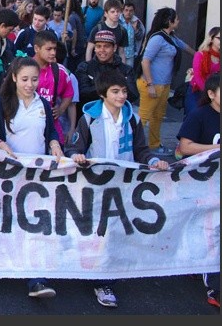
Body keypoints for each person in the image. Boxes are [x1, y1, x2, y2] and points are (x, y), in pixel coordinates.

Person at [65, 68, 170, 308]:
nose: (121, 96)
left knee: (113, 231)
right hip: (94, 183)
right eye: (115, 92)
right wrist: (77, 155)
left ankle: (106, 281)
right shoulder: (89, 118)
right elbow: (75, 146)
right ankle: (88, 271)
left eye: (123, 91)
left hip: (123, 183)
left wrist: (153, 161)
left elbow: (141, 149)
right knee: (95, 230)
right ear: (103, 94)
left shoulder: (131, 118)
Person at [0, 56, 64, 299]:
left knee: (35, 223)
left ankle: (37, 278)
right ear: (13, 78)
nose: (30, 84)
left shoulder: (43, 103)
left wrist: (54, 143)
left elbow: (51, 130)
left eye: (34, 79)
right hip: (8, 174)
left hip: (38, 174)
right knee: (7, 219)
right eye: (24, 79)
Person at [175, 72, 220, 308]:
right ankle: (215, 286)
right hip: (204, 185)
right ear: (211, 94)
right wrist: (218, 148)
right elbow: (184, 147)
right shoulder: (200, 115)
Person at [137, 7, 195, 156]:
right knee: (143, 118)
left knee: (157, 116)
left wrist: (201, 55)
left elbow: (186, 47)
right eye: (176, 18)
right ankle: (129, 147)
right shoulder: (157, 38)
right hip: (151, 84)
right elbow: (145, 61)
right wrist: (150, 84)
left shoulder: (172, 37)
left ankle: (154, 145)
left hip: (164, 84)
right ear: (169, 21)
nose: (179, 21)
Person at [75, 29, 139, 122]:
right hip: (91, 119)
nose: (102, 50)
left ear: (114, 48)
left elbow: (133, 94)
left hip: (119, 119)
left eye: (106, 46)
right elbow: (83, 93)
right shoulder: (85, 67)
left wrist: (100, 89)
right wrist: (112, 88)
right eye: (98, 46)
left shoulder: (125, 70)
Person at [32, 30, 75, 147]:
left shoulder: (60, 71)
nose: (53, 53)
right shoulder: (24, 68)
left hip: (52, 127)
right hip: (29, 126)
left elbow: (69, 94)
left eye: (54, 49)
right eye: (48, 49)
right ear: (37, 48)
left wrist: (61, 109)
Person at [185, 27, 220, 117]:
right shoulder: (200, 55)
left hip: (214, 94)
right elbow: (198, 77)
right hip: (197, 92)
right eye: (219, 38)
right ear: (211, 39)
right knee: (193, 116)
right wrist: (208, 94)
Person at [85, 0, 129, 64]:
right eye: (112, 12)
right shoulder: (97, 29)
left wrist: (123, 69)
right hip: (98, 65)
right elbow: (89, 49)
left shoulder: (122, 31)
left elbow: (121, 52)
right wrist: (88, 67)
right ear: (106, 13)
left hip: (114, 65)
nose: (116, 14)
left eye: (118, 11)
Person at [120, 2, 145, 77]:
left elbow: (140, 37)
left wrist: (136, 29)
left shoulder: (137, 22)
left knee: (128, 75)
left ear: (134, 11)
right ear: (123, 11)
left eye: (131, 10)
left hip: (131, 53)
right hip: (118, 53)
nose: (128, 12)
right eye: (126, 10)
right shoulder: (118, 21)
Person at [65, 0, 87, 72]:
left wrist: (73, 48)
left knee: (73, 67)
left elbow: (74, 32)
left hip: (76, 45)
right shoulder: (78, 15)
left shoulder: (71, 17)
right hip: (81, 43)